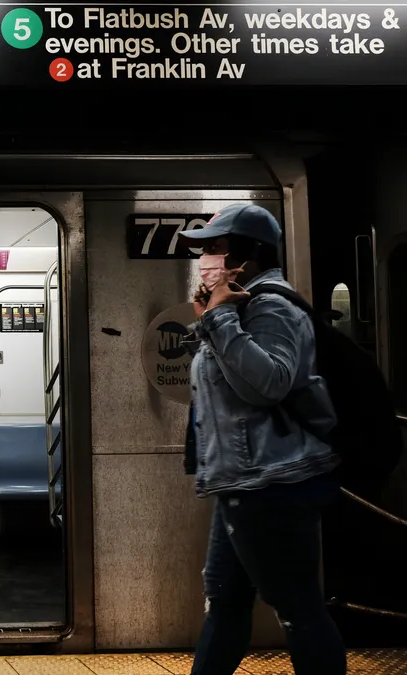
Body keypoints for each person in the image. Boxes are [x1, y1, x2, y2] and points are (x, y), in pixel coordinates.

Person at [178, 204, 346, 675]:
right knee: (226, 601)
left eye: (215, 247)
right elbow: (229, 383)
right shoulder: (239, 306)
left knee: (297, 609)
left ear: (247, 254)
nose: (206, 259)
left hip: (272, 483)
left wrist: (219, 320)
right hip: (242, 483)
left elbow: (269, 383)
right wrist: (209, 320)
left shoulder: (270, 305)